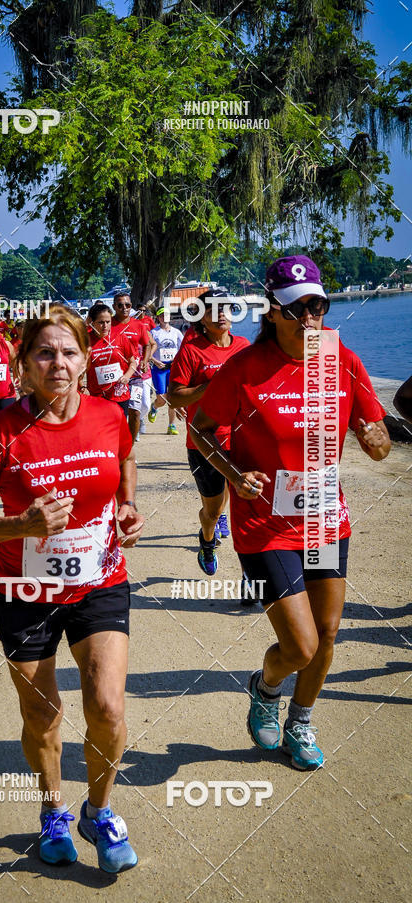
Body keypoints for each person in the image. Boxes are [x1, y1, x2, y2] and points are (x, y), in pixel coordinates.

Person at [0, 305, 144, 873]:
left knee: (106, 705)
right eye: (45, 353)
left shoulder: (110, 415)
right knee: (43, 715)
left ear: (86, 359)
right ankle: (53, 807)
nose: (60, 363)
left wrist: (126, 505)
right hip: (24, 594)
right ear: (24, 365)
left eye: (70, 352)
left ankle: (98, 812)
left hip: (100, 583)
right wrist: (20, 526)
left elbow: (124, 457)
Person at [191, 255, 391, 769]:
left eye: (317, 306)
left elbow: (380, 438)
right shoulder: (245, 367)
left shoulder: (340, 358)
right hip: (264, 525)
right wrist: (235, 475)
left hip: (326, 519)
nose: (310, 318)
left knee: (327, 634)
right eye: (296, 308)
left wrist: (375, 440)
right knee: (299, 646)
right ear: (273, 311)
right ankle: (267, 686)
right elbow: (202, 429)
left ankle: (300, 721)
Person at [167, 291, 249, 575]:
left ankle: (250, 572)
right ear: (202, 317)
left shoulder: (244, 346)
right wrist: (210, 386)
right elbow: (174, 397)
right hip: (205, 443)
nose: (222, 314)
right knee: (212, 511)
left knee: (248, 510)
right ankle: (207, 539)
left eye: (226, 308)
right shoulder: (192, 351)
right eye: (214, 310)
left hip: (243, 440)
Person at [111, 293, 156, 443]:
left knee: (137, 411)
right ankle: (118, 444)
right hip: (116, 378)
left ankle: (129, 446)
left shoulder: (138, 325)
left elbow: (148, 344)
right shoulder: (108, 324)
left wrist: (145, 360)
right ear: (114, 307)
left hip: (136, 376)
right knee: (118, 415)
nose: (124, 308)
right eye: (120, 305)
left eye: (128, 305)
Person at [86, 302, 137, 416]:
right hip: (97, 395)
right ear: (92, 322)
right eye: (100, 322)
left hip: (119, 393)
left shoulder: (120, 337)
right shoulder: (86, 341)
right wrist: (82, 386)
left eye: (108, 322)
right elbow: (79, 368)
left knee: (120, 429)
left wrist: (127, 376)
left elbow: (133, 362)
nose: (105, 326)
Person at [147, 308, 183, 435]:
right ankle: (155, 407)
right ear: (158, 318)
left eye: (167, 315)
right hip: (159, 368)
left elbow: (183, 349)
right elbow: (147, 352)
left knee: (172, 397)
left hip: (172, 368)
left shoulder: (176, 332)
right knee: (162, 399)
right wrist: (155, 361)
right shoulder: (153, 332)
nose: (164, 317)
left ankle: (171, 425)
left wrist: (177, 362)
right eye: (162, 315)